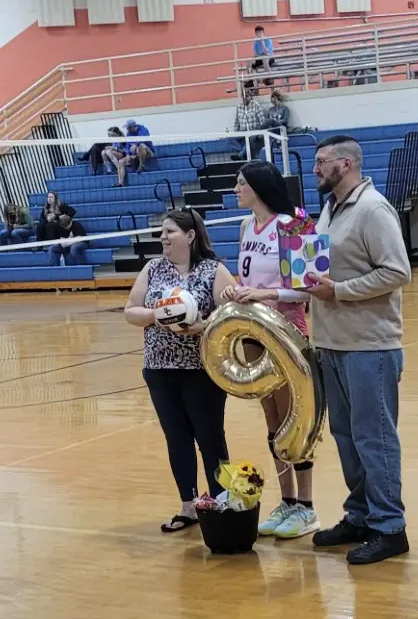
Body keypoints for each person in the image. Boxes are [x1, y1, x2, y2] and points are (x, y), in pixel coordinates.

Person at [307, 135, 413, 565]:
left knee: (375, 438)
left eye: (322, 162)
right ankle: (361, 515)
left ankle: (390, 527)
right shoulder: (329, 208)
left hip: (370, 345)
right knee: (347, 438)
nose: (315, 169)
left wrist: (341, 292)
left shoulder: (373, 209)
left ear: (346, 164)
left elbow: (398, 270)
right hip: (331, 342)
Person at [220, 161, 318, 539]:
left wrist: (264, 293)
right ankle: (287, 501)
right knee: (272, 420)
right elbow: (247, 277)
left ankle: (307, 508)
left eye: (241, 183)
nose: (235, 189)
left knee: (296, 419)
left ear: (260, 187)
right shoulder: (246, 226)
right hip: (252, 331)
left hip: (286, 331)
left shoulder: (296, 223)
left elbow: (310, 286)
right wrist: (236, 289)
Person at [124, 209, 236, 532]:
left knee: (211, 438)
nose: (163, 238)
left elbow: (233, 313)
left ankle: (223, 500)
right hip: (160, 369)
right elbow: (130, 311)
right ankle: (188, 506)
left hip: (202, 370)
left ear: (189, 236)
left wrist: (201, 325)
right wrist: (154, 317)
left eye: (169, 231)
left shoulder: (213, 270)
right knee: (177, 439)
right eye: (161, 232)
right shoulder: (153, 268)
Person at [231, 83, 266, 161]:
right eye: (243, 97)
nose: (244, 98)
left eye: (246, 96)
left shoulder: (256, 105)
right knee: (229, 138)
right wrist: (235, 133)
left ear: (250, 96)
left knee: (250, 138)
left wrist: (260, 133)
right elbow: (236, 122)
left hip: (254, 131)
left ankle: (240, 155)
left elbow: (262, 121)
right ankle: (243, 152)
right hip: (242, 131)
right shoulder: (239, 106)